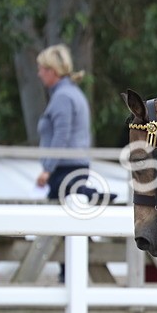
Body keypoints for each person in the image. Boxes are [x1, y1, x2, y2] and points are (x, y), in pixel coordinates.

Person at [35, 44, 105, 202]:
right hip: (72, 167)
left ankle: (92, 194)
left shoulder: (63, 97)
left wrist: (47, 169)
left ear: (51, 71)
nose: (39, 74)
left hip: (65, 170)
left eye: (41, 69)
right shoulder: (71, 93)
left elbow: (61, 136)